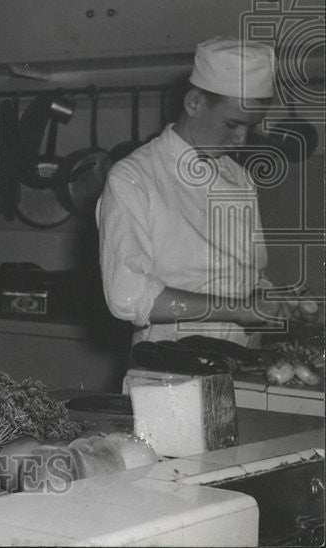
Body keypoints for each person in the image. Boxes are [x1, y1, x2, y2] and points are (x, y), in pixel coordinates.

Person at [97, 36, 302, 347]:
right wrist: (237, 310)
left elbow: (248, 278)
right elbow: (127, 295)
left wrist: (277, 300)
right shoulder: (133, 178)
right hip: (168, 374)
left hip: (241, 366)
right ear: (194, 103)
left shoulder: (240, 178)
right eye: (232, 124)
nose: (240, 140)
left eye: (251, 126)